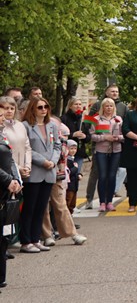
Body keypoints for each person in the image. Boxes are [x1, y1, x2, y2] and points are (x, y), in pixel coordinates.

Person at [19, 97, 60, 253]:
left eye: (46, 107)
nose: (44, 110)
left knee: (41, 208)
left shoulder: (52, 125)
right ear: (32, 109)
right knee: (30, 207)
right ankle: (26, 241)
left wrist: (53, 161)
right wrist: (43, 161)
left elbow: (57, 145)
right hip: (34, 171)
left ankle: (36, 239)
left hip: (49, 171)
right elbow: (26, 148)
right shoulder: (26, 126)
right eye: (40, 107)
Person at [91, 97, 123, 212]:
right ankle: (102, 202)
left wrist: (118, 138)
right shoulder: (96, 119)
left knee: (112, 176)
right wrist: (105, 137)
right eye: (107, 106)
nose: (109, 108)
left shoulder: (118, 119)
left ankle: (109, 201)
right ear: (102, 107)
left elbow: (124, 134)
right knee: (103, 176)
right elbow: (92, 136)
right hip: (101, 150)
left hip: (116, 150)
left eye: (111, 106)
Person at [0, 127, 22, 284]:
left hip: (4, 192)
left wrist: (16, 179)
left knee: (3, 238)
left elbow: (10, 160)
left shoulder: (2, 135)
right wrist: (8, 180)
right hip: (4, 184)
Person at [60, 98, 88, 174]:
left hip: (79, 151)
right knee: (68, 173)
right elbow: (60, 135)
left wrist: (85, 136)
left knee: (76, 174)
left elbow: (89, 136)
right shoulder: (64, 118)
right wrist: (73, 134)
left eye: (80, 104)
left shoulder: (84, 119)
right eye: (76, 104)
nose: (78, 106)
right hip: (67, 152)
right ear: (70, 106)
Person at [65, 140, 80, 213]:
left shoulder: (72, 159)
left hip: (74, 185)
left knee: (72, 204)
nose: (73, 150)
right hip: (70, 186)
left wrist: (79, 175)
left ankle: (70, 217)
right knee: (68, 202)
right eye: (71, 148)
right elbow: (68, 172)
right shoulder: (67, 160)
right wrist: (75, 168)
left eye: (75, 149)